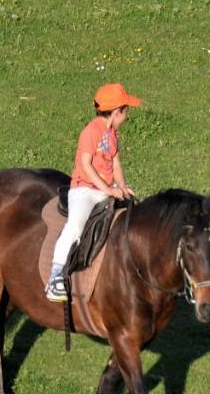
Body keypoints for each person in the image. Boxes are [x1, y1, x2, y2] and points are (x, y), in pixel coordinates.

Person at [46, 83, 142, 302]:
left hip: (105, 190)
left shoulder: (112, 134)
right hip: (84, 190)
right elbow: (86, 164)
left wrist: (123, 186)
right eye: (126, 111)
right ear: (117, 111)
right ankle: (55, 276)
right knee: (76, 226)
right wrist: (108, 188)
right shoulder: (92, 130)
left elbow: (116, 164)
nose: (127, 116)